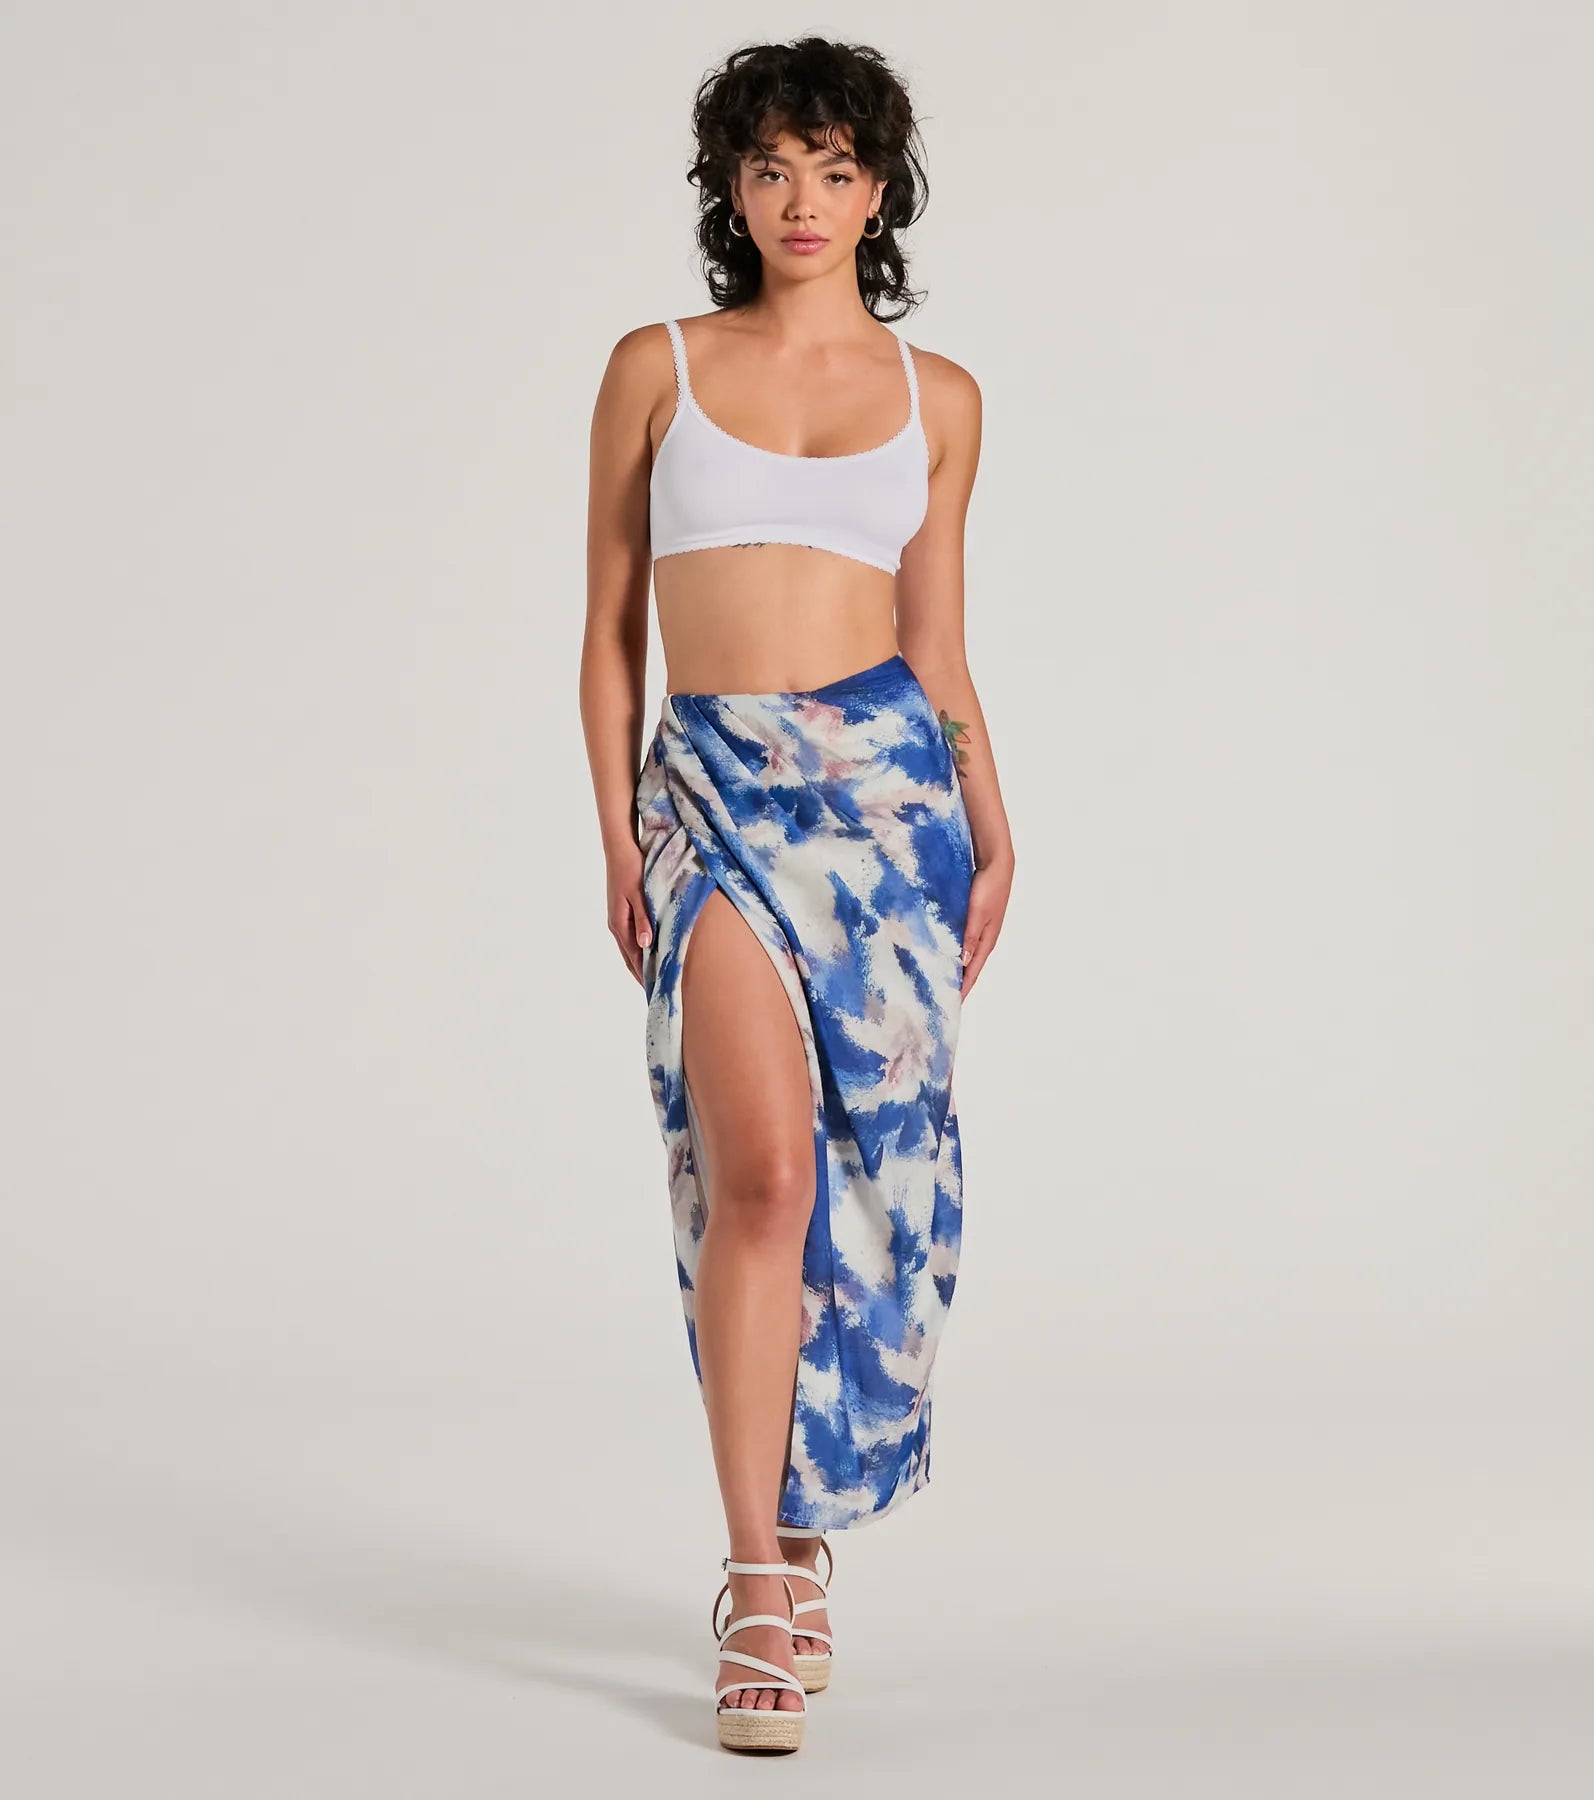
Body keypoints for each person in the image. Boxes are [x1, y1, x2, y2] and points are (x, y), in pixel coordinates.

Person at [580, 36, 1015, 1754]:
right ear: (730, 191)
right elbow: (609, 628)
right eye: (770, 169)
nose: (803, 201)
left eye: (835, 169)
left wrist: (991, 813)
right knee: (757, 1173)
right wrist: (616, 836)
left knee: (874, 1182)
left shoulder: (940, 398)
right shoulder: (656, 366)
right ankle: (757, 1575)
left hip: (888, 804)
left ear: (881, 190)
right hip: (709, 793)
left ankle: (805, 1517)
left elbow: (937, 642)